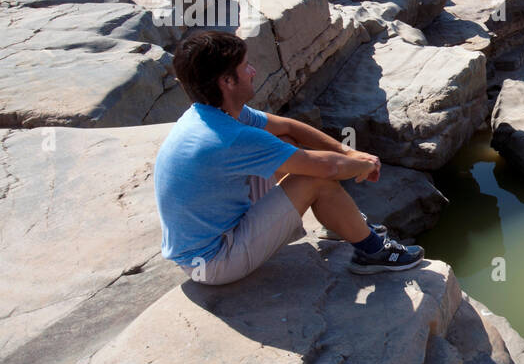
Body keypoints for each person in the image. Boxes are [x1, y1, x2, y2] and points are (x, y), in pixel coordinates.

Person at [154, 30, 425, 284]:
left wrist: (347, 151)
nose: (253, 71)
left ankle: (347, 221)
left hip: (205, 242)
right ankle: (372, 252)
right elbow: (326, 169)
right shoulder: (232, 137)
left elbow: (288, 127)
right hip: (213, 262)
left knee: (285, 142)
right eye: (245, 66)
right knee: (316, 180)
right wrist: (364, 164)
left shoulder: (212, 113)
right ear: (226, 81)